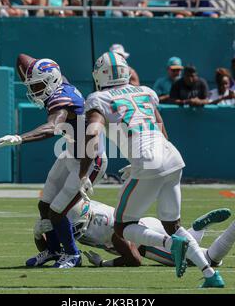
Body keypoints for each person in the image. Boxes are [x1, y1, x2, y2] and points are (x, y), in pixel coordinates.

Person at [78, 52, 225, 288]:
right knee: (173, 226)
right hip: (172, 155)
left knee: (122, 227)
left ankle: (170, 245)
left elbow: (93, 133)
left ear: (100, 76)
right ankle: (210, 275)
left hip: (149, 161)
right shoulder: (145, 91)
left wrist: (83, 175)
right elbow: (161, 128)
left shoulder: (98, 98)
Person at [0, 55, 107, 268]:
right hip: (72, 153)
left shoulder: (61, 101)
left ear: (51, 81)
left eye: (38, 85)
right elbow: (22, 58)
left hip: (89, 160)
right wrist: (27, 69)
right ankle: (53, 250)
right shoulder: (59, 81)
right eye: (33, 85)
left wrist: (21, 138)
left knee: (57, 211)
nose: (35, 90)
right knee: (44, 204)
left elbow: (52, 127)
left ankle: (73, 255)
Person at [32, 195, 235, 272]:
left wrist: (104, 264)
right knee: (190, 245)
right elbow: (54, 251)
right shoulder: (87, 210)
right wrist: (37, 235)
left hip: (144, 241)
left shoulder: (108, 229)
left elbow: (135, 260)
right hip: (147, 223)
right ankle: (198, 228)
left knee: (209, 260)